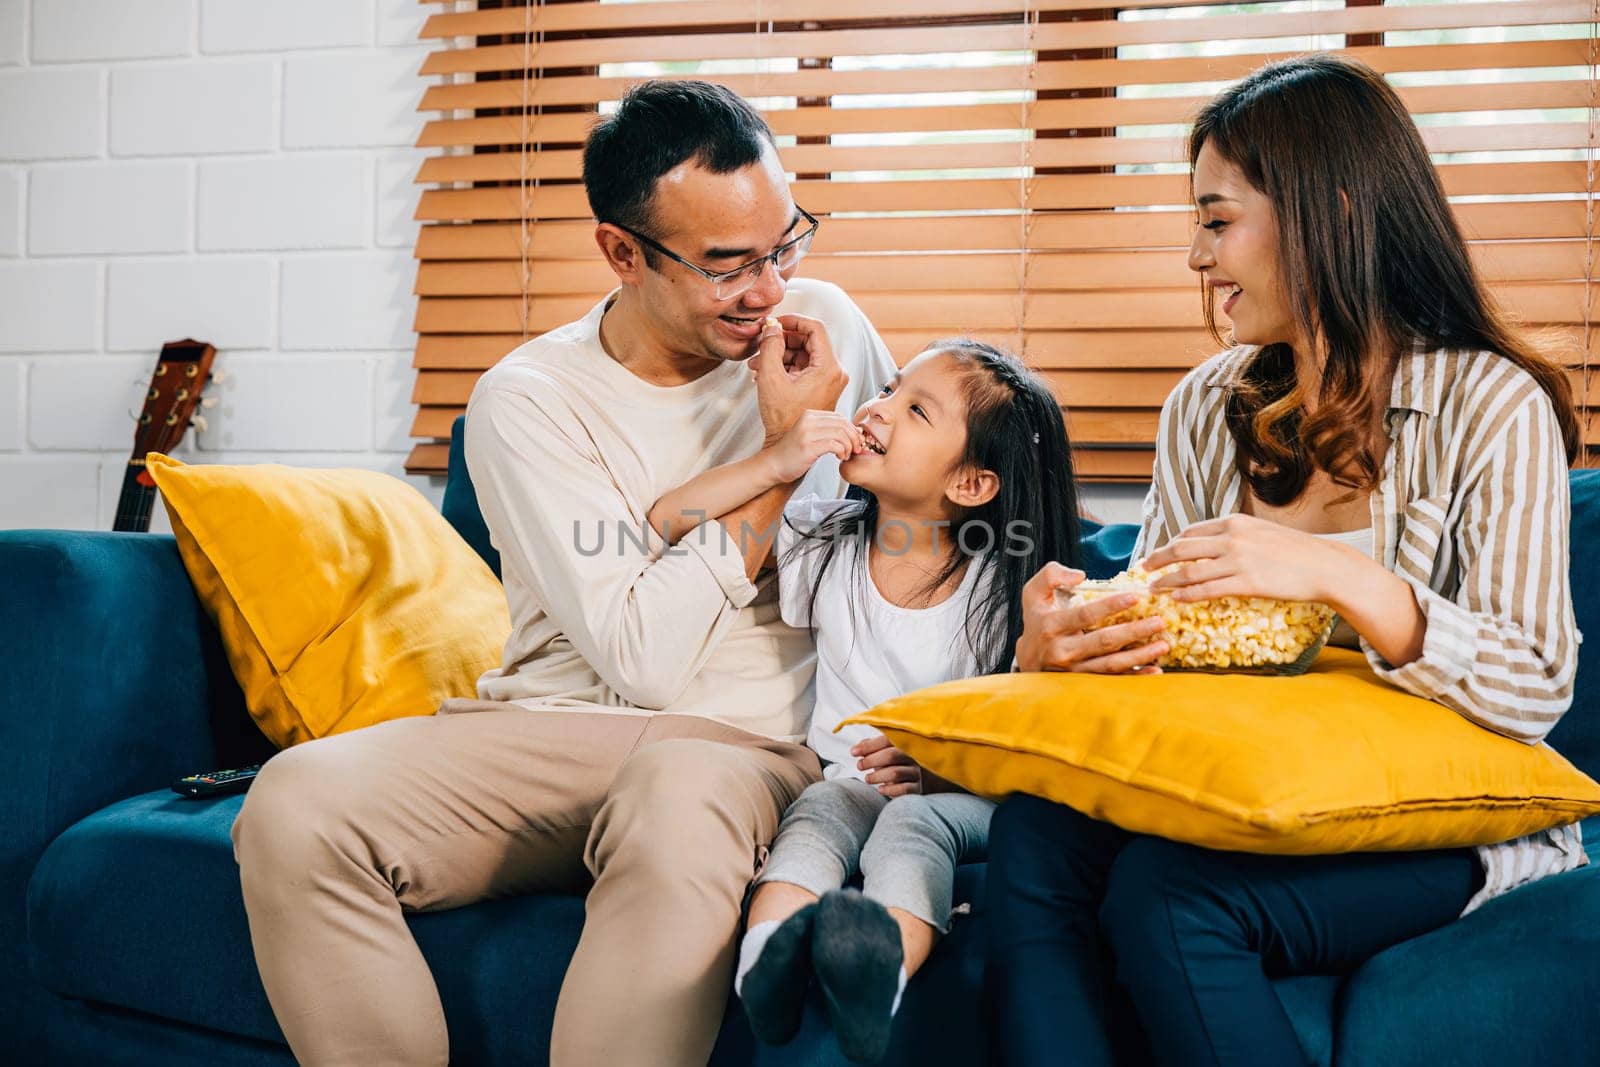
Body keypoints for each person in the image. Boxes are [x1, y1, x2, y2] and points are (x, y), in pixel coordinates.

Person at [230, 80, 898, 1067]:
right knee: (293, 802)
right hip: (545, 735)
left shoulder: (826, 327)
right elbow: (641, 658)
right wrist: (777, 455)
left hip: (739, 742)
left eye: (783, 243)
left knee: (675, 790)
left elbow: (916, 528)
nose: (767, 288)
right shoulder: (529, 400)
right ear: (622, 252)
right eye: (726, 264)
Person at [984, 53, 1584, 1067]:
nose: (1194, 256)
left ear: (1329, 216)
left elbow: (1532, 684)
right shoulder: (1200, 406)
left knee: (1169, 898)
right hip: (1244, 792)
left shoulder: (1491, 406)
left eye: (1217, 221)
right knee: (1035, 840)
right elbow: (1165, 658)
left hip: (1425, 822)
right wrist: (1066, 645)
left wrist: (1335, 573)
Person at [649, 334, 1083, 1062]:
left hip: (960, 798)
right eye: (887, 390)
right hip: (845, 781)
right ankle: (766, 965)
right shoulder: (825, 540)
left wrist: (940, 769)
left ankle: (876, 982)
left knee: (912, 823)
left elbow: (1037, 737)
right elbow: (669, 520)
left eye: (915, 409)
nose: (877, 410)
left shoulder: (1004, 588)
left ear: (973, 484)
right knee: (817, 811)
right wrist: (780, 456)